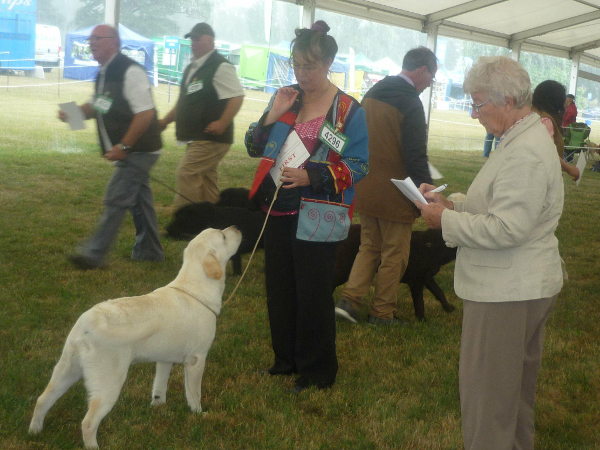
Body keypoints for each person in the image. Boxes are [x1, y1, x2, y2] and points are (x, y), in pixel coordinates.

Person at [416, 56, 564, 450]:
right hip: (518, 285)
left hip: (508, 291)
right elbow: (503, 207)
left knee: (489, 404)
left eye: (478, 103)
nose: (473, 113)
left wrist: (444, 222)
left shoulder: (525, 150)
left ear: (509, 99)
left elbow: (508, 228)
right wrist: (455, 206)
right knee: (511, 400)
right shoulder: (520, 137)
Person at [245, 20, 369, 392]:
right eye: (296, 65)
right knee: (280, 289)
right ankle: (286, 360)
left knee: (313, 293)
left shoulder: (347, 110)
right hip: (277, 207)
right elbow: (253, 145)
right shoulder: (286, 97)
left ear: (329, 62)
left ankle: (317, 371)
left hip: (318, 212)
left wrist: (312, 175)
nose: (302, 73)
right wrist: (271, 114)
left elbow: (359, 165)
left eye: (310, 66)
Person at [335, 46, 436, 326]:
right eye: (431, 78)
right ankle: (382, 313)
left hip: (366, 184)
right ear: (423, 71)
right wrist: (425, 191)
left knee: (369, 246)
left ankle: (349, 301)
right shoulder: (411, 103)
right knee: (395, 253)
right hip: (397, 193)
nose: (429, 84)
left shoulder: (373, 92)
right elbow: (416, 154)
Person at [59, 25, 164, 269]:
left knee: (116, 197)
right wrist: (72, 114)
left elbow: (146, 113)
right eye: (90, 39)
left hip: (141, 149)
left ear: (113, 42)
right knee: (140, 202)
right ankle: (150, 251)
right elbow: (98, 106)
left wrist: (124, 146)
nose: (91, 43)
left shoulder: (130, 71)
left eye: (97, 38)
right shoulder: (104, 73)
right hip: (132, 149)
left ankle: (93, 255)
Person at [158, 23, 244, 209]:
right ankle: (212, 219)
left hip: (211, 137)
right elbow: (183, 102)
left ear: (211, 41)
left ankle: (187, 221)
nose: (193, 43)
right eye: (192, 39)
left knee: (187, 172)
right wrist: (165, 121)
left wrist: (223, 122)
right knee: (206, 179)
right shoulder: (192, 68)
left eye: (198, 39)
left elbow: (237, 95)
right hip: (197, 137)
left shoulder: (220, 66)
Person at [532, 80, 580, 181]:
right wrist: (568, 168)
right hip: (542, 178)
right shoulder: (546, 121)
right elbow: (547, 153)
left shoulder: (534, 115)